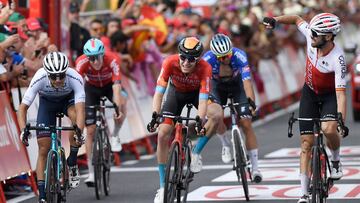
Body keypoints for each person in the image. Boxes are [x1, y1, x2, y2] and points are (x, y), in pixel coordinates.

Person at [263, 13, 348, 203]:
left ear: (328, 36)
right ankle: (303, 193)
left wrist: (341, 119)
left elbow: (341, 93)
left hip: (329, 96)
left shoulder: (338, 58)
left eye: (316, 33)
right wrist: (275, 20)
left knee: (328, 128)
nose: (311, 36)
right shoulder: (312, 34)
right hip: (309, 92)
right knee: (306, 143)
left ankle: (335, 160)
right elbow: (296, 18)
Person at [147, 36, 213, 203]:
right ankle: (162, 186)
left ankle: (196, 153)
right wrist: (156, 115)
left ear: (198, 60)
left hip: (196, 95)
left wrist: (200, 120)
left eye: (191, 59)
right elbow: (159, 93)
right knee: (162, 134)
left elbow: (204, 100)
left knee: (214, 116)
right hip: (175, 94)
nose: (185, 62)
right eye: (183, 57)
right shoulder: (169, 62)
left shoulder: (205, 68)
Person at [17, 52, 85, 203]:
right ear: (47, 73)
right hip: (47, 104)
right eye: (54, 76)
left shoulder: (75, 77)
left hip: (68, 101)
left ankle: (72, 160)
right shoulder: (39, 77)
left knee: (75, 117)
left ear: (66, 71)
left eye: (61, 75)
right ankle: (42, 195)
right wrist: (23, 130)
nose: (59, 79)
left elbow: (81, 110)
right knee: (43, 148)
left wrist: (79, 132)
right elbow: (22, 108)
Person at [203, 33, 262, 183]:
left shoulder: (239, 56)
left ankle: (255, 168)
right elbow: (205, 86)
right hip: (217, 88)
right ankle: (225, 143)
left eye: (228, 54)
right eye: (221, 57)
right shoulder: (207, 60)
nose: (226, 58)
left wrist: (251, 103)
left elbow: (247, 82)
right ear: (215, 56)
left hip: (237, 86)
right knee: (216, 117)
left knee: (247, 124)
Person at [75, 38, 126, 186]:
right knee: (90, 130)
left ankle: (115, 135)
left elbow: (116, 87)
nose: (95, 61)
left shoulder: (112, 59)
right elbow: (77, 87)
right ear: (86, 57)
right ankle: (91, 172)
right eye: (91, 58)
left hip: (109, 86)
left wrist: (117, 108)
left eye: (98, 57)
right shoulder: (81, 62)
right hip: (91, 89)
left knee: (121, 105)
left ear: (103, 54)